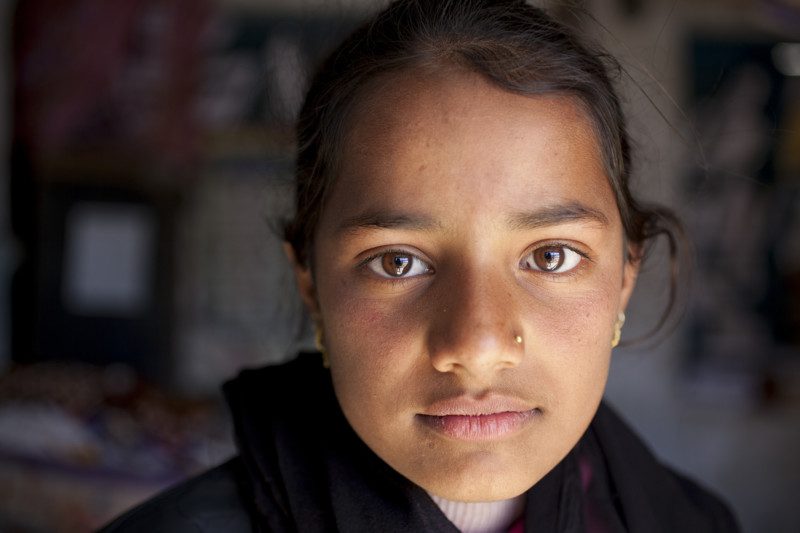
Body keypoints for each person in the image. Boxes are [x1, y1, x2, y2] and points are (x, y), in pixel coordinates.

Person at [99, 1, 740, 531]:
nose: (478, 347)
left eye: (552, 256)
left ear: (624, 280)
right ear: (312, 287)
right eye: (398, 262)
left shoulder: (696, 523)